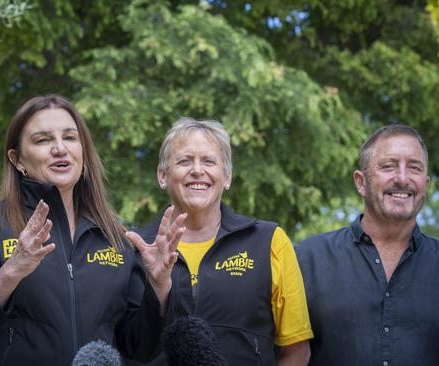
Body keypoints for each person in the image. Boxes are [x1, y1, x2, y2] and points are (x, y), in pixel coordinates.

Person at [0, 94, 186, 365]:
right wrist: (12, 271)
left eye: (69, 138)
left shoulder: (117, 240)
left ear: (84, 154)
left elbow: (139, 349)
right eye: (43, 140)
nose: (60, 149)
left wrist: (160, 288)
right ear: (17, 159)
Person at [128, 117, 313, 366]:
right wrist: (158, 288)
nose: (197, 170)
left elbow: (296, 351)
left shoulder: (269, 241)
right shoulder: (135, 249)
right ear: (162, 175)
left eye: (208, 161)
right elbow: (127, 349)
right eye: (184, 161)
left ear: (226, 176)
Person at [296, 124, 439, 365]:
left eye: (413, 167)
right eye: (388, 166)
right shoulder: (308, 259)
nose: (402, 178)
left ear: (424, 183)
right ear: (361, 182)